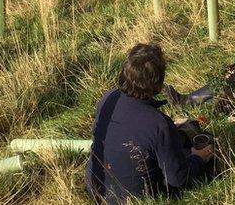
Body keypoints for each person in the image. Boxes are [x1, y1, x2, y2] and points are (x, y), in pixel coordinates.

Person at [86, 43, 215, 205]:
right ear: (159, 84)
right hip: (137, 199)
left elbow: (131, 130)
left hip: (97, 188)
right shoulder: (160, 124)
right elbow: (177, 178)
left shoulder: (109, 97)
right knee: (196, 151)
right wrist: (198, 158)